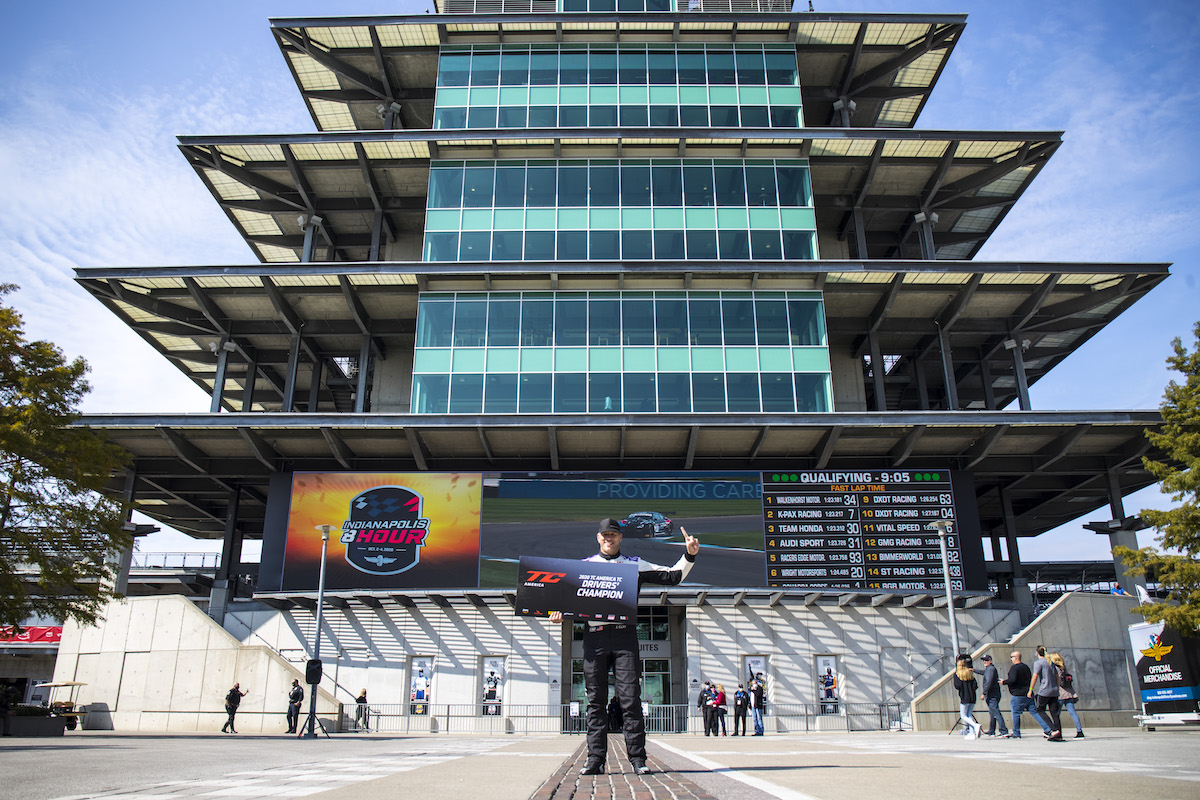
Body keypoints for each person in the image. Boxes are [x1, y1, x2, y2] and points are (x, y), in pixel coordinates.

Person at [549, 518, 700, 776]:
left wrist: (689, 554)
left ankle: (638, 760)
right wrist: (557, 612)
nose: (609, 538)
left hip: (624, 640)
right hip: (594, 639)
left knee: (631, 701)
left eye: (614, 535)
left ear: (621, 538)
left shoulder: (634, 564)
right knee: (595, 703)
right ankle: (595, 760)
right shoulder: (583, 567)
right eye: (605, 535)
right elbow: (561, 598)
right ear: (598, 538)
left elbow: (673, 576)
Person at [1001, 650, 1050, 739]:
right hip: (1028, 693)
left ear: (1016, 658)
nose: (1011, 659)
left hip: (1018, 695)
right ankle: (1047, 728)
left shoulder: (1014, 668)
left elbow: (1012, 680)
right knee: (1034, 712)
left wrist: (1003, 682)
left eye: (1011, 657)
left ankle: (1016, 733)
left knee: (1016, 713)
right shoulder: (1026, 667)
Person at [1031, 645, 1063, 741]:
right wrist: (1056, 687)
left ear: (1037, 653)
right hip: (1054, 691)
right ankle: (1059, 734)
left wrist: (1030, 689)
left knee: (1039, 710)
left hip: (1044, 691)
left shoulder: (1038, 663)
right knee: (1054, 713)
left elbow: (1035, 676)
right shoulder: (1050, 662)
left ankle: (1053, 730)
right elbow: (1057, 677)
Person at [1049, 652, 1084, 738]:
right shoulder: (1064, 668)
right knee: (1073, 713)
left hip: (1060, 694)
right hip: (1069, 694)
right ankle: (1079, 731)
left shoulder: (1054, 668)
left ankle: (1055, 731)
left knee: (1056, 714)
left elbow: (1056, 681)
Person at [951, 654, 983, 739]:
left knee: (963, 715)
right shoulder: (970, 674)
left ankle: (975, 725)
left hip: (964, 697)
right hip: (973, 696)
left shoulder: (957, 674)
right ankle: (972, 733)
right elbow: (975, 686)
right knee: (969, 715)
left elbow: (957, 686)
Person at [978, 654, 1008, 737]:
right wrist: (974, 670)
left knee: (996, 712)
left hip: (992, 694)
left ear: (990, 661)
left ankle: (1003, 730)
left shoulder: (990, 669)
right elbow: (983, 672)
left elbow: (989, 682)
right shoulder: (989, 669)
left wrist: (984, 693)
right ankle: (991, 730)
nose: (984, 662)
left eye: (986, 660)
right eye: (984, 660)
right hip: (993, 694)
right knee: (992, 712)